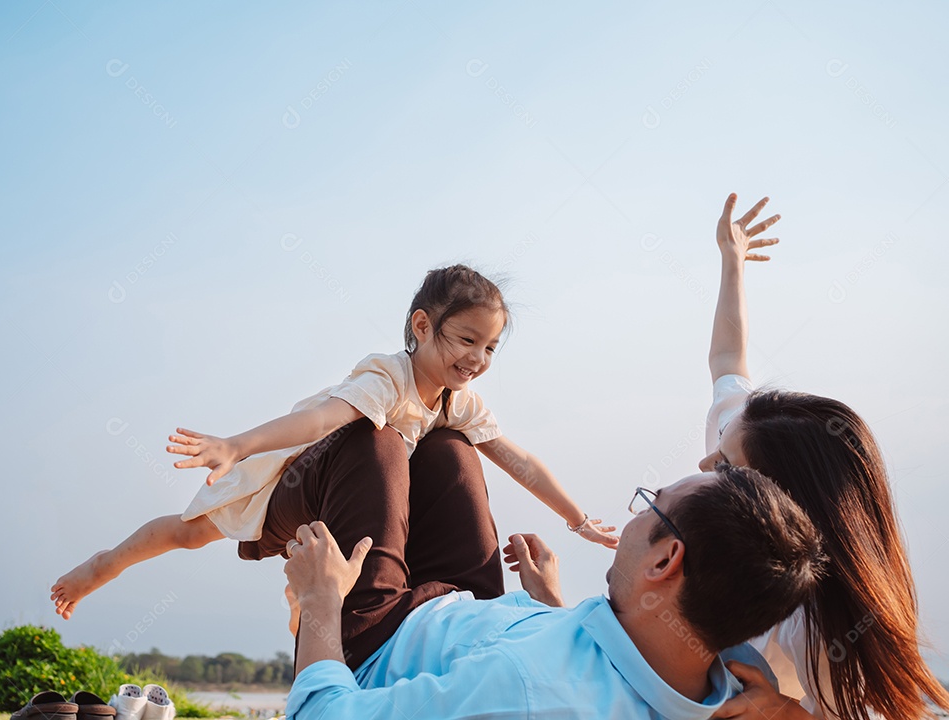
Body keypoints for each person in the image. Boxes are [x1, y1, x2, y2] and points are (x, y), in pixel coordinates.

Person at [50, 264, 617, 620]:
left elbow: (518, 460)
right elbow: (323, 420)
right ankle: (106, 564)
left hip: (357, 506)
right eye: (467, 339)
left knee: (436, 460)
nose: (477, 359)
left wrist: (578, 519)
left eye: (490, 348)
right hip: (292, 484)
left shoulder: (457, 401)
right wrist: (237, 445)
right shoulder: (387, 377)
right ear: (422, 327)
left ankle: (317, 604)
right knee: (187, 532)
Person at [280, 462, 826, 719]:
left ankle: (210, 524)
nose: (632, 519)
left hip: (383, 639)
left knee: (369, 443)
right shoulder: (732, 682)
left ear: (665, 559)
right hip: (490, 613)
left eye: (650, 502)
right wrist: (551, 606)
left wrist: (320, 601)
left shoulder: (525, 693)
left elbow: (323, 718)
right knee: (446, 445)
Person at [700, 194, 949, 719]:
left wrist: (784, 712)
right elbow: (728, 357)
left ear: (781, 504)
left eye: (724, 465)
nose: (705, 468)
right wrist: (732, 261)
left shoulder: (819, 621)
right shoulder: (749, 435)